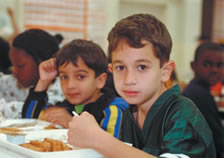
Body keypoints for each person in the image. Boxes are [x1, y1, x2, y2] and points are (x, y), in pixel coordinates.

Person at [67, 14, 216, 158]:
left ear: (165, 72)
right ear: (111, 70)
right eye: (121, 68)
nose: (129, 80)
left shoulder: (182, 113)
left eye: (142, 67)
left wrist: (98, 139)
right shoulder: (129, 112)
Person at [22, 39, 128, 137]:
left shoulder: (112, 110)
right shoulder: (68, 106)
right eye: (64, 77)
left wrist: (73, 124)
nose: (70, 85)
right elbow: (29, 120)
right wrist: (43, 82)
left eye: (80, 76)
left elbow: (110, 147)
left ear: (100, 80)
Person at [0, 29, 65, 118]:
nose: (15, 71)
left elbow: (36, 112)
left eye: (20, 66)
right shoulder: (13, 82)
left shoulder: (61, 88)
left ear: (42, 63)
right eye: (13, 65)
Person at [182, 42, 224, 158]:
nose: (214, 70)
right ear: (193, 66)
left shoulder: (199, 89)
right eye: (207, 64)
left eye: (220, 65)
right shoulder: (197, 94)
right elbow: (217, 137)